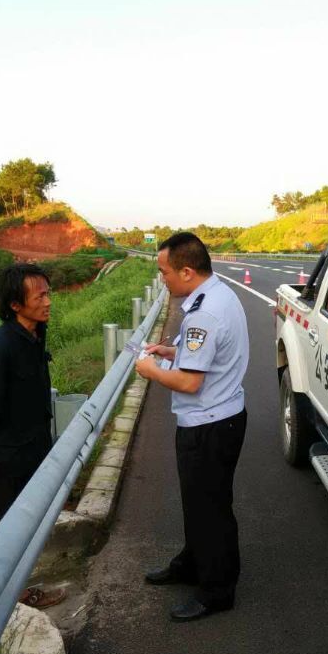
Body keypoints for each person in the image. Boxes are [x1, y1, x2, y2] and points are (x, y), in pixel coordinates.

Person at [135, 232, 249, 622]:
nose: (162, 279)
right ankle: (192, 562)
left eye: (164, 272)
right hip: (219, 417)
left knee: (211, 508)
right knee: (199, 502)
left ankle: (217, 590)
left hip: (209, 424)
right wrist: (170, 351)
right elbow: (204, 354)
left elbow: (188, 382)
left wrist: (150, 369)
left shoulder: (204, 313)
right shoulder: (216, 294)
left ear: (186, 271)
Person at [0, 262, 66, 610]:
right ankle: (8, 600)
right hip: (11, 457)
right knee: (6, 531)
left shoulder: (35, 334)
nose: (48, 302)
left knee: (27, 526)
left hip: (35, 447)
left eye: (48, 293)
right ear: (15, 305)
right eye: (39, 297)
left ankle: (18, 591)